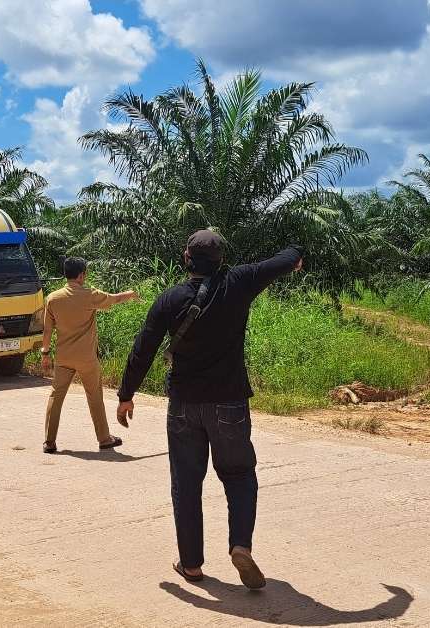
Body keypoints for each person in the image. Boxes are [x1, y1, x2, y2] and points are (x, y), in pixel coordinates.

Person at [115, 230, 303, 590]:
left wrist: (127, 394)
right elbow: (285, 256)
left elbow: (144, 349)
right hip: (229, 403)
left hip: (184, 405)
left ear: (187, 259)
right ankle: (240, 545)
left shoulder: (169, 299)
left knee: (186, 484)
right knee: (239, 475)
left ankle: (191, 566)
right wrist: (295, 256)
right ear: (221, 259)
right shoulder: (240, 281)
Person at [40, 257, 138, 454]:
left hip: (63, 357)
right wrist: (131, 294)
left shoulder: (52, 298)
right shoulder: (89, 294)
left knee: (55, 397)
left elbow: (47, 330)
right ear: (82, 275)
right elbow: (114, 298)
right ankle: (104, 439)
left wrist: (45, 353)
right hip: (86, 358)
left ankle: (49, 442)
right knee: (94, 397)